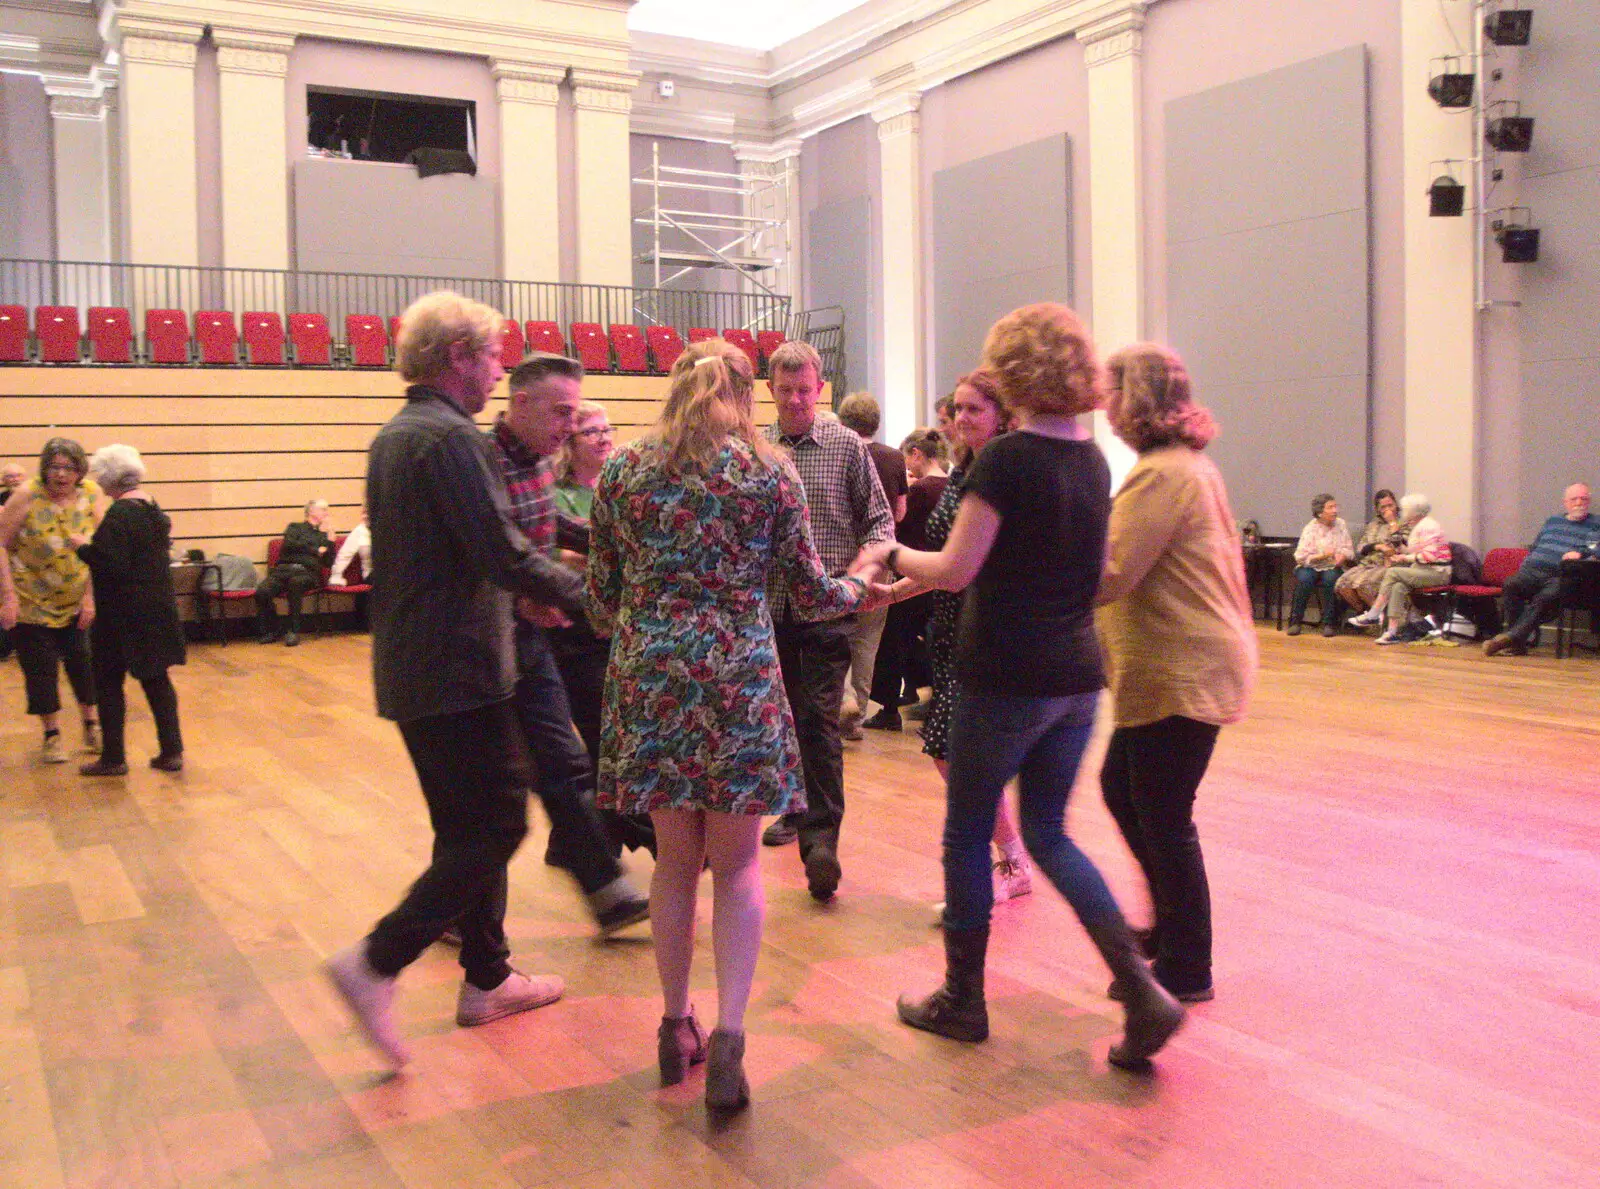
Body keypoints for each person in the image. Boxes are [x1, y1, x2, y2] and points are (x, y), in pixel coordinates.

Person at [858, 304, 1184, 1071]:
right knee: (1048, 834)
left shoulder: (1008, 461)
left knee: (966, 832)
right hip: (1076, 679)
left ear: (1017, 370)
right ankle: (1141, 992)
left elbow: (957, 569)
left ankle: (962, 999)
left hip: (1003, 675)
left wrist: (891, 552)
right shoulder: (1092, 459)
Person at [588, 338, 874, 1112]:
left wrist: (655, 620)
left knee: (676, 864)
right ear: (748, 397)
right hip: (739, 681)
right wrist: (862, 586)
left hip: (650, 684)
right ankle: (730, 1040)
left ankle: (673, 1024)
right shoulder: (766, 473)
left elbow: (597, 599)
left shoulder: (622, 470)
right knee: (741, 866)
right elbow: (813, 593)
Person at [323, 291, 591, 1069]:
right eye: (494, 355)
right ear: (459, 358)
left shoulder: (400, 433)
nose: (501, 369)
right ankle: (377, 960)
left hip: (419, 666)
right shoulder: (448, 438)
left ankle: (487, 978)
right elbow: (501, 552)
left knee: (465, 826)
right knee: (499, 824)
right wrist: (593, 593)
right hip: (457, 668)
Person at [1094, 342, 1257, 1007]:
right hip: (1181, 664)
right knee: (1122, 789)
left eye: (1111, 391)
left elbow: (1111, 572)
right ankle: (1169, 927)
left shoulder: (1162, 473)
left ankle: (1188, 964)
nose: (1103, 405)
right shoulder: (1185, 465)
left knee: (1163, 814)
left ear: (1135, 398)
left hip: (1183, 666)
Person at [485, 355, 650, 932]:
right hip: (484, 649)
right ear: (520, 402)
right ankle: (461, 911)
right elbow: (502, 554)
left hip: (531, 639)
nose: (568, 426)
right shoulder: (485, 463)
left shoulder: (536, 466)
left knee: (568, 764)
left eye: (574, 415)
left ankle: (605, 889)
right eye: (562, 413)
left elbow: (559, 532)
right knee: (494, 800)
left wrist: (623, 545)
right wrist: (595, 594)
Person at [757, 340, 894, 903]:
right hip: (768, 613)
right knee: (781, 723)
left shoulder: (844, 446)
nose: (795, 400)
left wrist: (861, 575)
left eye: (804, 391)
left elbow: (880, 522)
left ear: (820, 389)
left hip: (828, 608)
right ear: (770, 390)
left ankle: (821, 844)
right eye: (785, 391)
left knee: (816, 720)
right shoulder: (756, 448)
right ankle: (794, 811)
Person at [895, 376, 1033, 905]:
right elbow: (953, 558)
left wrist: (891, 560)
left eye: (974, 409)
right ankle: (1008, 862)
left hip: (988, 634)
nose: (960, 418)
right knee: (951, 756)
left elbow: (967, 565)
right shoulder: (964, 472)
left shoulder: (1003, 470)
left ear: (1002, 414)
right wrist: (892, 592)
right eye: (957, 409)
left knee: (960, 759)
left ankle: (993, 874)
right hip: (952, 629)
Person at [550, 400, 656, 859]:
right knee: (599, 733)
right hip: (571, 628)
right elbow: (555, 556)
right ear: (570, 445)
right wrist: (592, 553)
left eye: (606, 428)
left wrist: (587, 553)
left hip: (619, 625)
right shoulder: (554, 494)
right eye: (590, 431)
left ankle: (574, 843)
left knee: (611, 734)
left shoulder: (622, 484)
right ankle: (623, 837)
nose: (602, 436)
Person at [72, 445, 186, 775]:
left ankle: (113, 757)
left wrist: (83, 548)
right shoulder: (152, 508)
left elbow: (112, 565)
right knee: (156, 681)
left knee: (108, 683)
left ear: (111, 478)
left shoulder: (121, 513)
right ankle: (171, 751)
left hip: (121, 616)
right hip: (157, 609)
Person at [0, 438, 101, 763]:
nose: (61, 474)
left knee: (84, 666)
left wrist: (90, 599)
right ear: (45, 468)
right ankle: (52, 735)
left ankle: (91, 726)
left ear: (80, 470)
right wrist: (8, 597)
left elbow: (100, 550)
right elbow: (1, 543)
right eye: (55, 467)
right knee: (41, 672)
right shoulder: (27, 494)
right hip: (32, 599)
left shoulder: (92, 494)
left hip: (76, 598)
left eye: (69, 467)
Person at [865, 427, 949, 731]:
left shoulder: (920, 491)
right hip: (938, 578)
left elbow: (899, 525)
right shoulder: (951, 486)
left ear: (916, 454)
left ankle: (888, 707)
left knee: (894, 640)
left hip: (913, 573)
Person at [835, 391, 907, 740]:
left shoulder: (839, 453)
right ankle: (857, 715)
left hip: (844, 560)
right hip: (880, 560)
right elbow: (899, 512)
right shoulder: (895, 458)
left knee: (835, 636)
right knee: (867, 642)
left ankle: (842, 699)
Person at [1484, 483, 1600, 655]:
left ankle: (1512, 638)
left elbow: (1596, 549)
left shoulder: (1596, 523)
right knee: (1511, 584)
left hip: (1563, 575)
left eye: (1583, 499)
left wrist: (1580, 554)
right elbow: (1537, 545)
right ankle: (1516, 642)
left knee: (1546, 596)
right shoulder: (1553, 521)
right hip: (1532, 571)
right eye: (1574, 499)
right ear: (1565, 503)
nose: (1578, 503)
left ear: (1589, 502)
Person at [1351, 493, 1451, 644]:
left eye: (1404, 509)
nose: (1401, 512)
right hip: (1424, 569)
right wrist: (1401, 551)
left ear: (1414, 511)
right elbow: (1410, 551)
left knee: (1393, 572)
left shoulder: (1429, 527)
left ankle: (1373, 614)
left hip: (1437, 573)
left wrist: (1404, 558)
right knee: (1398, 586)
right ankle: (1392, 632)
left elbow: (1428, 557)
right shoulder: (1418, 525)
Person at [255, 499, 336, 645]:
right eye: (324, 509)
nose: (327, 513)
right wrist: (315, 550)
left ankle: (293, 630)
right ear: (311, 511)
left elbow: (328, 563)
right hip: (283, 570)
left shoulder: (323, 536)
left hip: (307, 573)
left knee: (296, 583)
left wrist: (330, 541)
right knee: (262, 591)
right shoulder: (294, 527)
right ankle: (274, 629)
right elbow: (290, 544)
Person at [1287, 494, 1353, 636]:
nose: (1335, 510)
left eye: (1336, 506)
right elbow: (1300, 557)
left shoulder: (1341, 524)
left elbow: (1349, 550)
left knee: (1331, 579)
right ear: (1320, 512)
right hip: (1310, 565)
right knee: (1305, 579)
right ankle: (1295, 621)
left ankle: (1329, 623)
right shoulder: (1310, 529)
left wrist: (1343, 556)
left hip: (1332, 566)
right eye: (1331, 507)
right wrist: (1323, 555)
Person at [1335, 489, 1403, 613]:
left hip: (1387, 565)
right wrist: (1379, 547)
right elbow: (1361, 548)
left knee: (1363, 586)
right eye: (1383, 507)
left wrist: (1392, 523)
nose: (1387, 509)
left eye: (1390, 505)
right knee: (1342, 585)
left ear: (1396, 505)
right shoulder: (1373, 525)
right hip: (1367, 564)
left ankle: (1378, 618)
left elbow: (1399, 547)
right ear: (1377, 509)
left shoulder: (1403, 523)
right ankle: (1364, 613)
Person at [327, 507, 371, 587]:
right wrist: (336, 575)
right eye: (364, 513)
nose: (365, 516)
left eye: (368, 513)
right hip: (372, 575)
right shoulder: (359, 531)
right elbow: (344, 555)